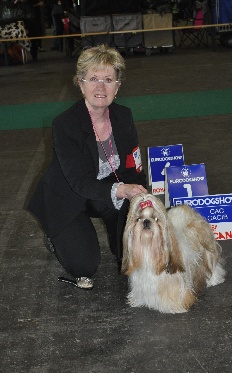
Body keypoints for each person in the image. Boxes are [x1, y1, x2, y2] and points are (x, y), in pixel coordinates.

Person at [27, 45, 148, 290]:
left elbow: (132, 167)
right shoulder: (65, 124)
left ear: (118, 86)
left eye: (108, 80)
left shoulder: (123, 116)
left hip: (106, 191)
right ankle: (56, 236)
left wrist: (144, 199)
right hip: (68, 195)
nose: (100, 87)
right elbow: (80, 182)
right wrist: (122, 191)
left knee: (129, 258)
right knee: (85, 266)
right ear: (81, 84)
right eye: (93, 79)